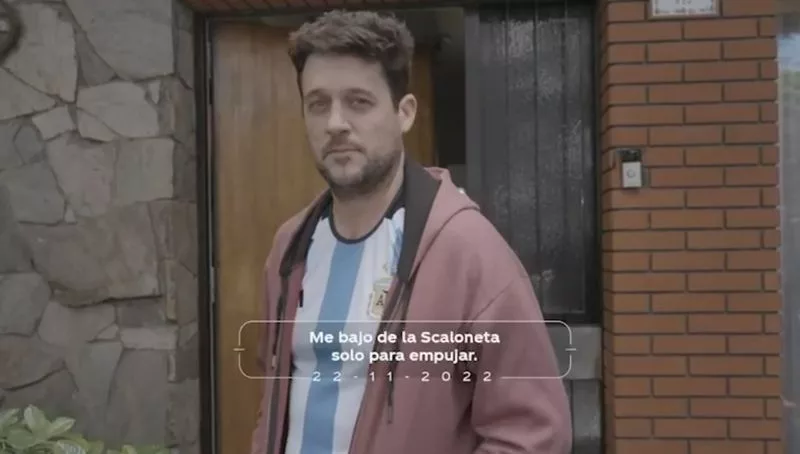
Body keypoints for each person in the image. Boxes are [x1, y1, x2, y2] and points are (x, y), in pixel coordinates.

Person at [250, 10, 571, 454]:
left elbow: (532, 433)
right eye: (318, 104)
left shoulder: (467, 252)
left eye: (359, 101)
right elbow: (276, 396)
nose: (335, 123)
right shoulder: (290, 247)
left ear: (405, 113)